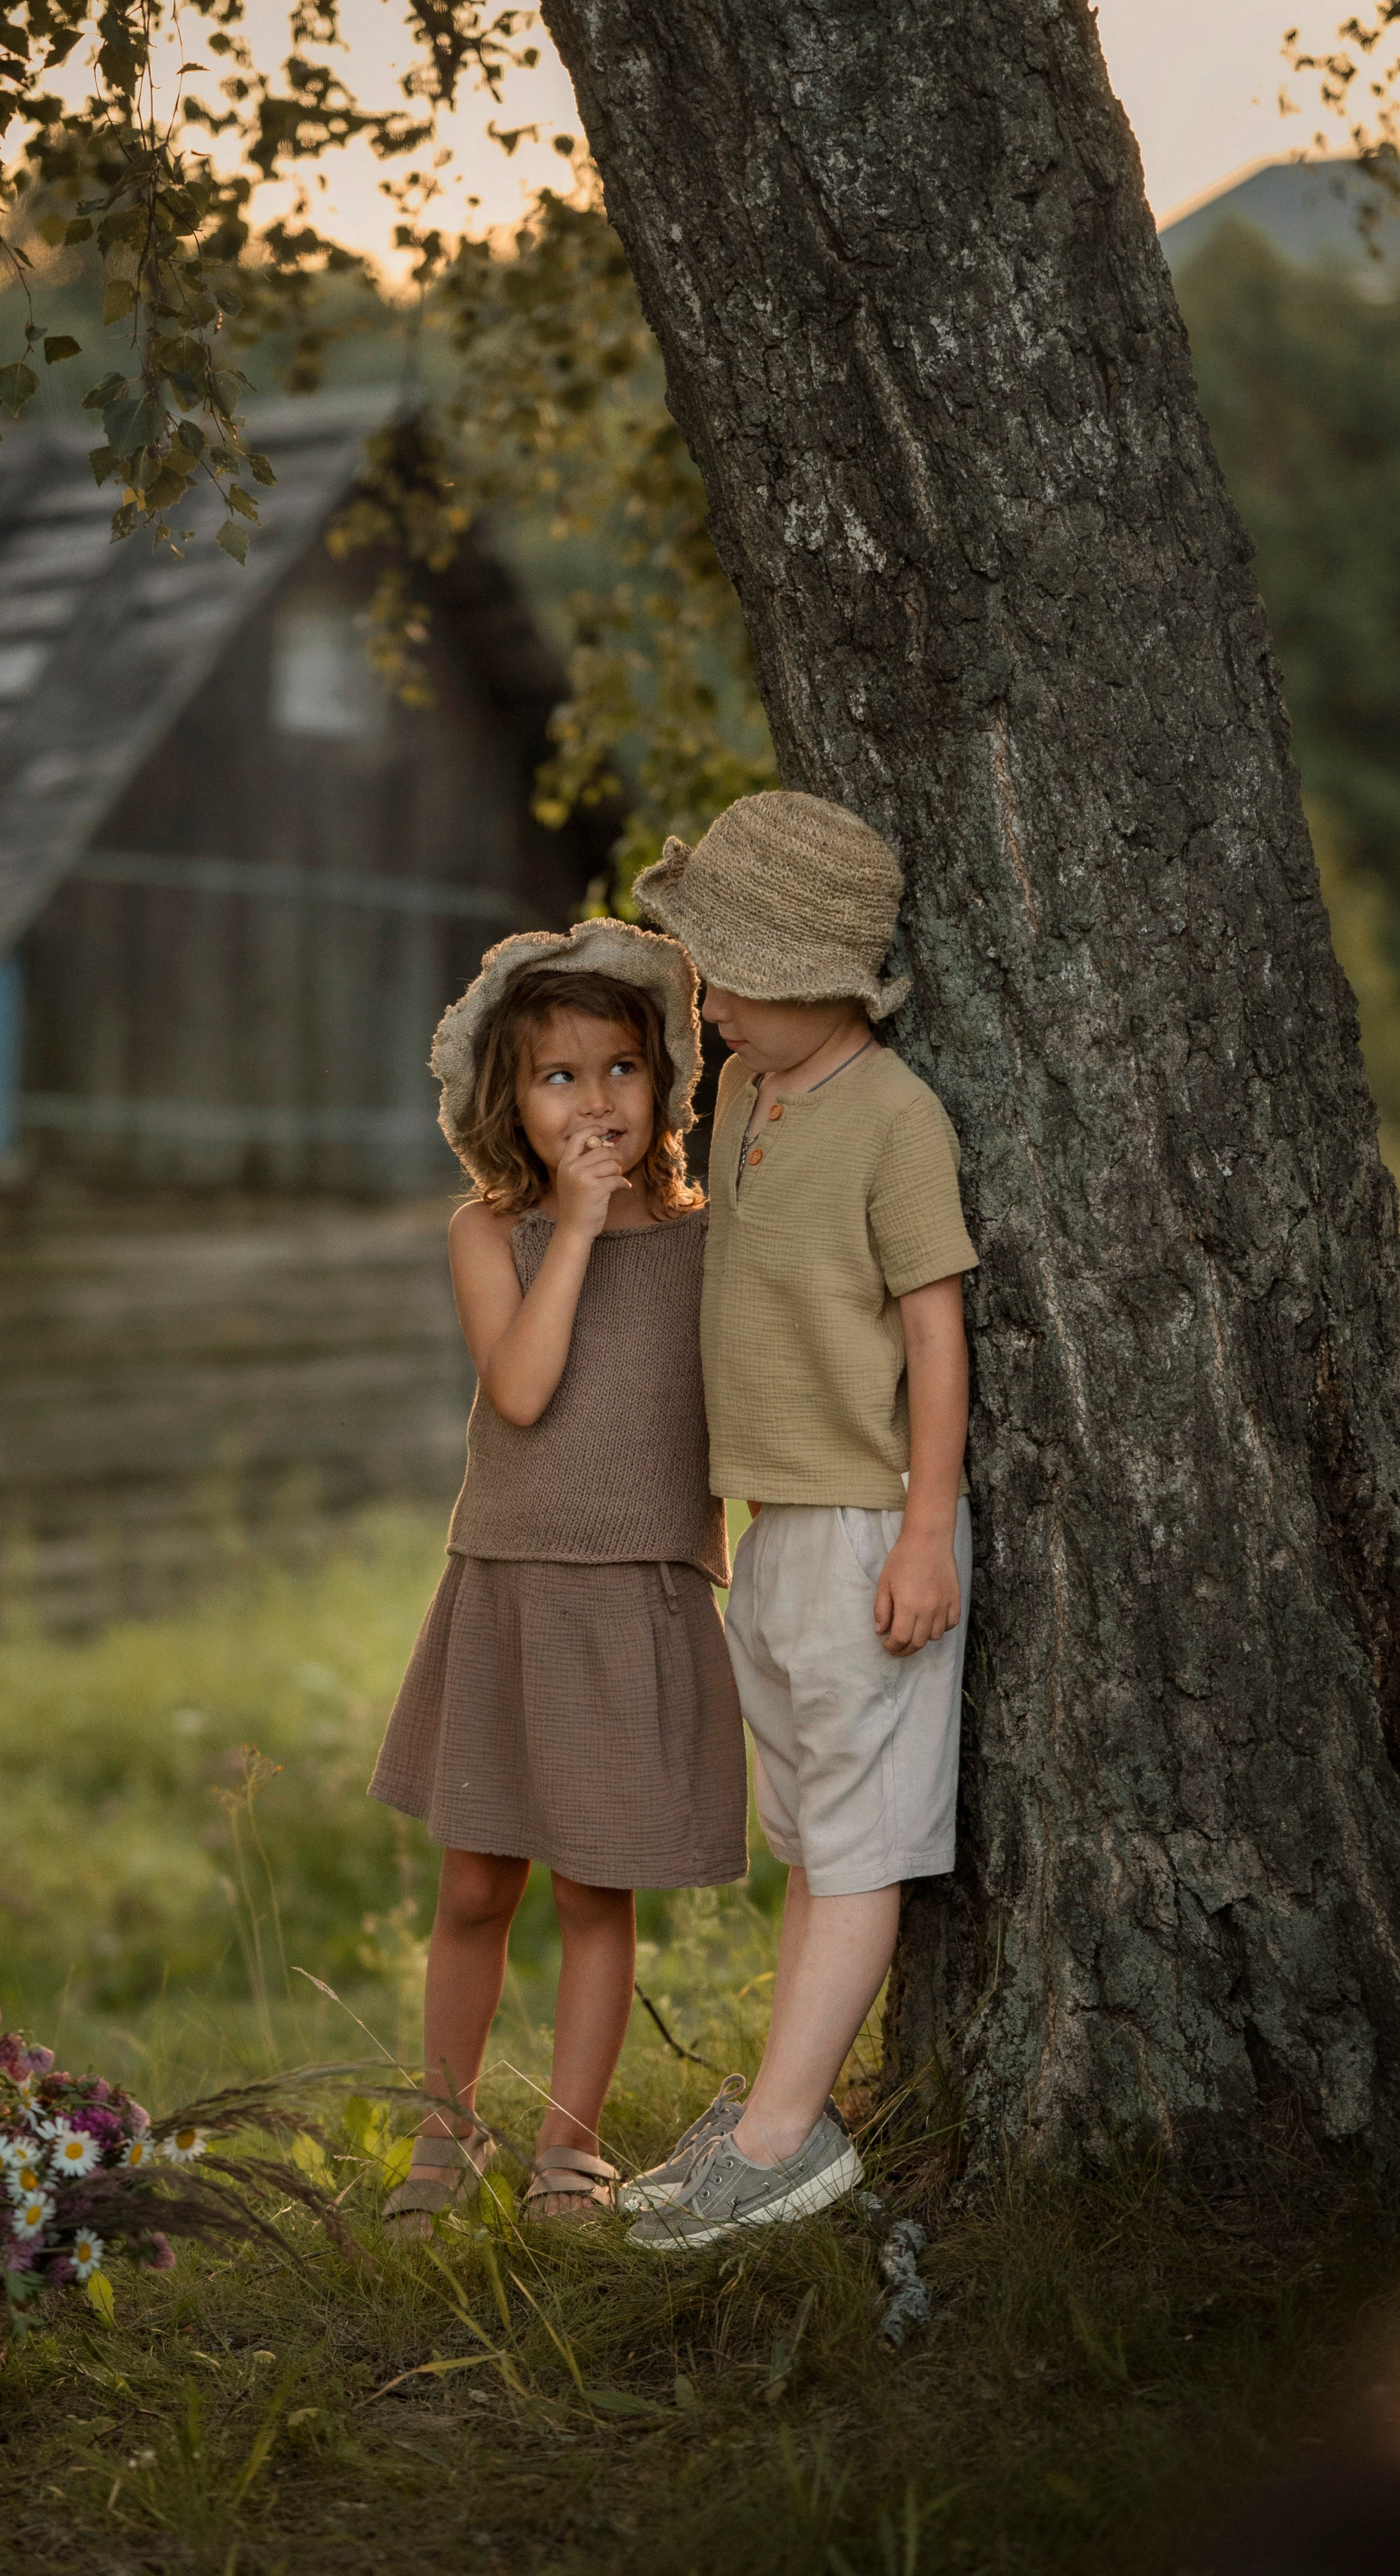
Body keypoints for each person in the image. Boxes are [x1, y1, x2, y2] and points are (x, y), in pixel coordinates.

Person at [622, 792, 977, 2250]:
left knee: (854, 1846)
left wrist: (921, 1534)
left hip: (863, 1527)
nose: (703, 1008)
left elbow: (935, 1333)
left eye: (727, 978)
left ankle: (784, 2145)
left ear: (816, 976)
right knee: (812, 1838)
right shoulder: (748, 1091)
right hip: (774, 1531)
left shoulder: (893, 1116)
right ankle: (776, 2103)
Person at [368, 918, 749, 2231]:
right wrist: (578, 1224)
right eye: (558, 1077)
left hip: (632, 1591)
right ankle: (446, 2127)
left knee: (597, 1885)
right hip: (510, 1589)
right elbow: (523, 1390)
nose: (595, 1101)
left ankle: (570, 2151)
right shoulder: (493, 1234)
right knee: (475, 1881)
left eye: (620, 1068)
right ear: (507, 1102)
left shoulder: (709, 1240)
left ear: (666, 1079)